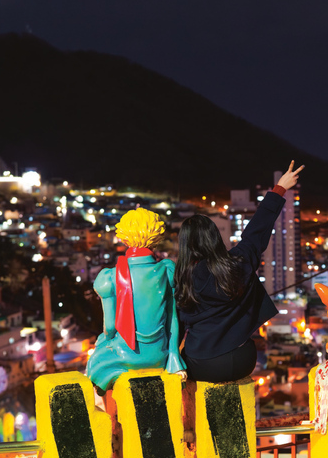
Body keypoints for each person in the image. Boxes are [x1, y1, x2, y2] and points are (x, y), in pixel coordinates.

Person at [175, 161, 304, 382]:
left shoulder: (182, 278)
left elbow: (174, 326)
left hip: (203, 364)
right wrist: (279, 189)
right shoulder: (238, 263)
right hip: (244, 359)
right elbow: (256, 232)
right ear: (215, 237)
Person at [87, 208, 186, 392]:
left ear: (123, 235)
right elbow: (172, 319)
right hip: (160, 355)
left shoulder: (110, 277)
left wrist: (105, 339)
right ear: (156, 236)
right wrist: (173, 356)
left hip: (127, 356)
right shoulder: (167, 270)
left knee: (94, 364)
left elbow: (109, 328)